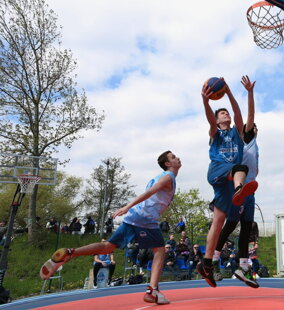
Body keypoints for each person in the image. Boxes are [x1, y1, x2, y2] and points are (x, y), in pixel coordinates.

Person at [40, 150, 182, 305]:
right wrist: (127, 206)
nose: (178, 158)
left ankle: (71, 252)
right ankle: (152, 290)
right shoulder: (168, 177)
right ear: (167, 164)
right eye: (173, 157)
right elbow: (150, 192)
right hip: (145, 219)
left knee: (108, 247)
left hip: (134, 217)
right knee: (160, 250)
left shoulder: (162, 177)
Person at [196, 76, 258, 288]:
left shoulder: (237, 133)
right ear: (217, 119)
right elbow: (210, 120)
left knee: (218, 222)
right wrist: (206, 102)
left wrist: (231, 92)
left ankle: (206, 263)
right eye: (222, 113)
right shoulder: (216, 133)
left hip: (227, 181)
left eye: (227, 112)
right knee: (241, 168)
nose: (227, 114)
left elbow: (241, 115)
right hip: (218, 171)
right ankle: (240, 189)